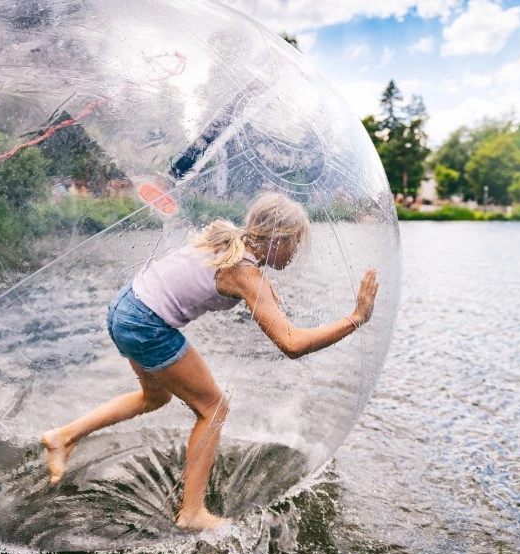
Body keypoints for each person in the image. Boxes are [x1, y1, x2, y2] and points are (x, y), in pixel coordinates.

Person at [41, 192, 379, 530]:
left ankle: (63, 436)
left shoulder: (227, 240)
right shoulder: (245, 275)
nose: (296, 251)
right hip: (145, 324)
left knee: (155, 397)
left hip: (125, 309)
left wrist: (261, 287)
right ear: (279, 239)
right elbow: (291, 343)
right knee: (214, 408)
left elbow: (229, 277)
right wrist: (356, 317)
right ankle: (191, 513)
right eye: (296, 242)